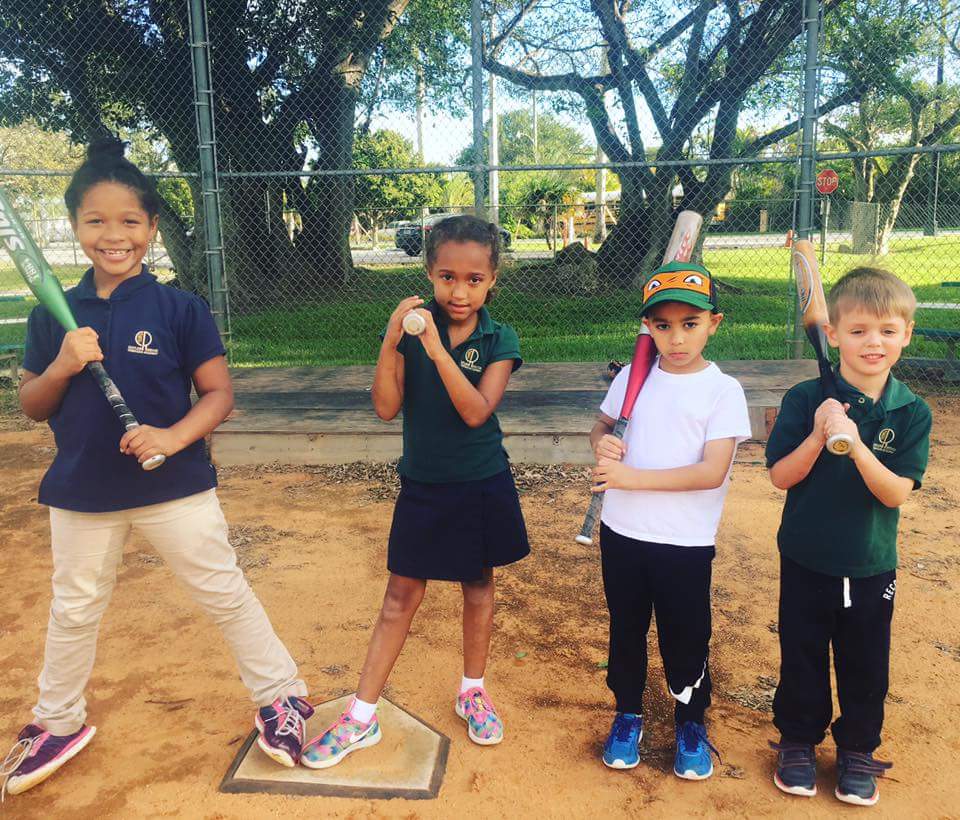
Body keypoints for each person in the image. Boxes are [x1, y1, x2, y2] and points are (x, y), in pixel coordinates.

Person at [2, 138, 310, 798]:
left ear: (152, 227)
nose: (113, 235)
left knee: (222, 589)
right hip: (83, 490)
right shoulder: (52, 314)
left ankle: (282, 695)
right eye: (96, 220)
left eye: (129, 221)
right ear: (76, 226)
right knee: (74, 607)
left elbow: (219, 395)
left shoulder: (179, 308)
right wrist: (62, 364)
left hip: (173, 485)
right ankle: (57, 721)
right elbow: (32, 404)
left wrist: (171, 436)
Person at [300, 214, 529, 769]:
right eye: (447, 277)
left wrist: (436, 351)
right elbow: (385, 407)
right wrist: (390, 340)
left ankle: (472, 690)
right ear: (429, 273)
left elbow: (476, 412)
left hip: (480, 480)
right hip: (423, 483)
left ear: (492, 280)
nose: (459, 291)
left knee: (478, 583)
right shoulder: (410, 329)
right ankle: (361, 715)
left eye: (474, 279)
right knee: (400, 595)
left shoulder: (500, 338)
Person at [765, 267, 931, 807]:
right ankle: (798, 740)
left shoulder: (911, 411)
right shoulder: (806, 398)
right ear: (832, 335)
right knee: (802, 653)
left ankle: (858, 749)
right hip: (806, 557)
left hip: (870, 562)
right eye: (858, 330)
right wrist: (819, 434)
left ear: (906, 334)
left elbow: (895, 493)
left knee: (865, 662)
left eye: (887, 330)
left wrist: (856, 445)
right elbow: (780, 476)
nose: (873, 342)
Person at [589, 261, 751, 780]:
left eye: (690, 323)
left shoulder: (722, 390)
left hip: (684, 541)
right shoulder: (632, 378)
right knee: (626, 629)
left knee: (686, 635)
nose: (676, 338)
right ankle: (627, 714)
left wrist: (630, 477)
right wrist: (603, 444)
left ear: (714, 324)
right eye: (663, 325)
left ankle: (690, 721)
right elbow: (602, 427)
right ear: (648, 327)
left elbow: (711, 471)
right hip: (623, 533)